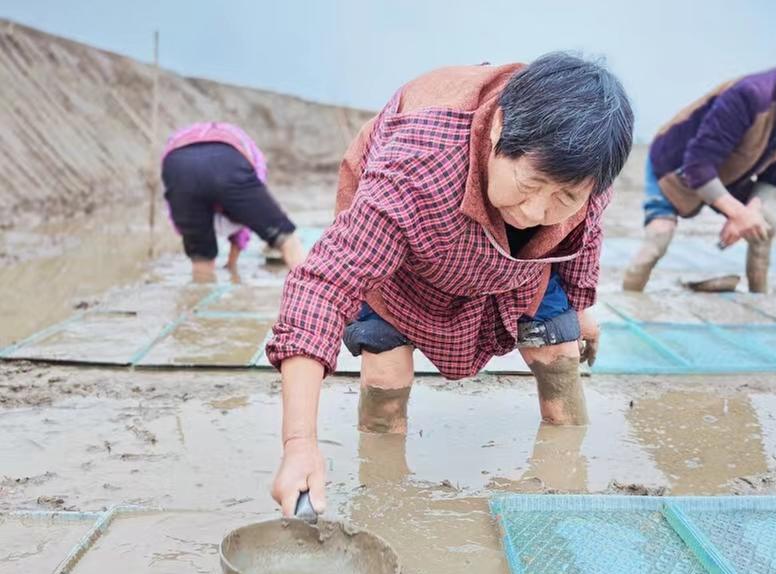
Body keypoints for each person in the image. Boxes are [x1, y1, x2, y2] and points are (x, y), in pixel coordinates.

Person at [265, 53, 634, 516]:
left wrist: (581, 311)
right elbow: (323, 285)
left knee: (560, 357)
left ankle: (566, 496)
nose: (538, 211)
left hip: (522, 267)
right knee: (385, 380)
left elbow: (586, 237)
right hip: (408, 264)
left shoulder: (588, 178)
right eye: (531, 183)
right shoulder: (416, 167)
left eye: (564, 197)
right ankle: (387, 505)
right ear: (498, 130)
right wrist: (299, 442)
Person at [622, 49, 776, 293]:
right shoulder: (749, 95)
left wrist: (748, 213)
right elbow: (697, 165)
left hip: (727, 173)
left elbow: (774, 176)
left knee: (764, 226)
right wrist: (737, 213)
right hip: (672, 167)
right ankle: (630, 301)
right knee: (658, 239)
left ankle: (759, 298)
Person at [161, 122, 307, 280]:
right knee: (286, 238)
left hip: (177, 163)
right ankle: (310, 294)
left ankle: (200, 292)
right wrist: (233, 265)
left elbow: (173, 206)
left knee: (201, 257)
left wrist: (192, 234)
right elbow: (249, 213)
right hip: (228, 159)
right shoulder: (249, 149)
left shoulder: (184, 135)